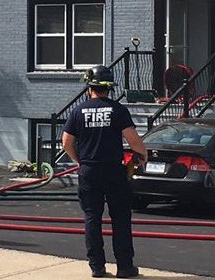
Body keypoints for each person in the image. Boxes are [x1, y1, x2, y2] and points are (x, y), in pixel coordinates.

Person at [62, 65, 148, 279]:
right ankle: (125, 267)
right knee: (120, 218)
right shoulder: (118, 110)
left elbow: (66, 142)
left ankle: (97, 267)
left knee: (92, 217)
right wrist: (142, 155)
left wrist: (80, 161)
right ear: (109, 88)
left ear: (89, 86)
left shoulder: (78, 111)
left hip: (89, 171)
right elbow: (133, 139)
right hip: (113, 171)